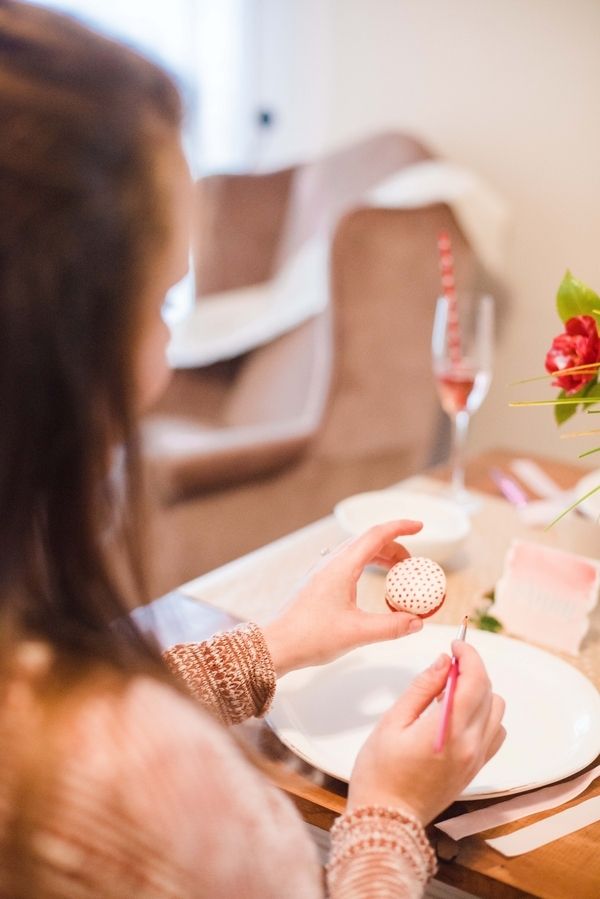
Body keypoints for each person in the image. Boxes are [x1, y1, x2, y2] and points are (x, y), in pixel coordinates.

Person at [0, 2, 506, 896]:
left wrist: (275, 644)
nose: (163, 367)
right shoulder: (147, 790)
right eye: (162, 305)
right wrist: (388, 811)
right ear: (59, 346)